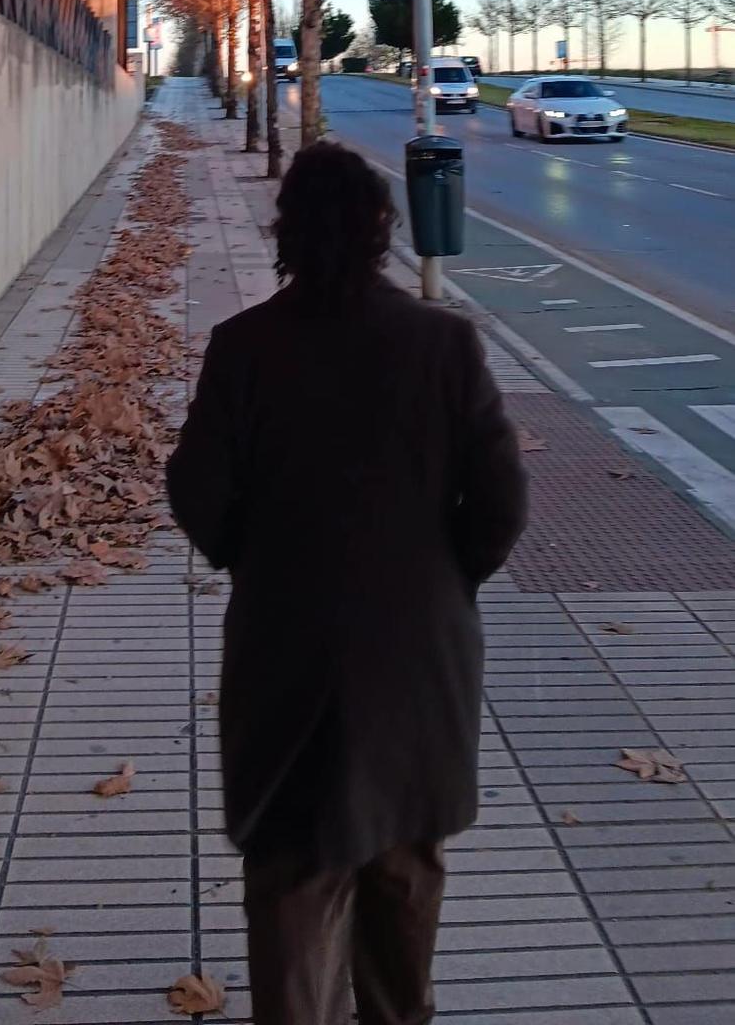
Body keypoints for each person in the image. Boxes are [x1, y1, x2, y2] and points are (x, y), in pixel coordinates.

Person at [166, 140, 527, 1025]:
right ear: (379, 229)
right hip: (419, 650)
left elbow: (196, 491)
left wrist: (262, 561)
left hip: (286, 644)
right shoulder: (444, 344)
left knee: (294, 872)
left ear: (286, 232)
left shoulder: (243, 348)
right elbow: (502, 499)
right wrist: (444, 575)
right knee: (404, 862)